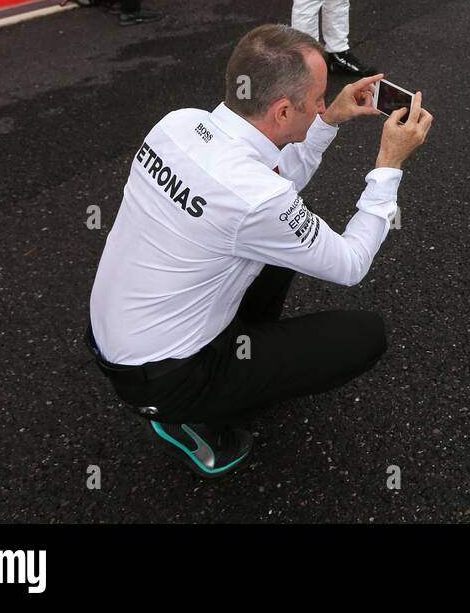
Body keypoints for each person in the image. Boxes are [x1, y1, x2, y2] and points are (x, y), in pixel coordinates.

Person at [87, 24, 433, 477]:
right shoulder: (256, 199)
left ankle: (239, 360)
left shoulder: (178, 123)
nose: (323, 106)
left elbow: (268, 190)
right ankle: (190, 418)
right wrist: (389, 165)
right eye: (317, 102)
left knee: (278, 249)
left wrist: (327, 123)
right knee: (365, 335)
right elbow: (350, 265)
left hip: (114, 334)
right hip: (163, 377)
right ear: (283, 110)